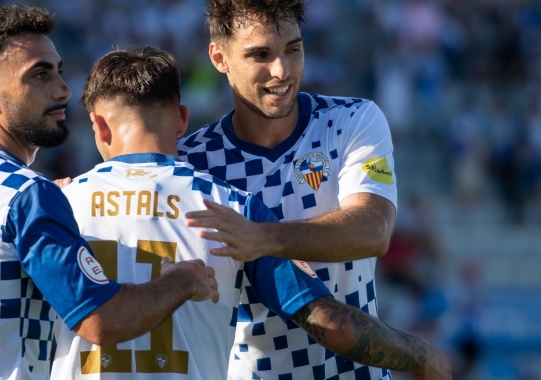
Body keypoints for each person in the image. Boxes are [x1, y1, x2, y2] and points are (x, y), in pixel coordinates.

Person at [54, 46, 450, 379]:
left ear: (99, 128)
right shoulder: (234, 209)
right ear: (181, 121)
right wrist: (419, 355)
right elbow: (331, 326)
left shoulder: (54, 206)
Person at [0, 6, 219, 380]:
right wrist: (183, 279)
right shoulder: (24, 194)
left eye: (59, 70)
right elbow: (102, 321)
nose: (63, 89)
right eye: (39, 74)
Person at [178, 0, 444, 379]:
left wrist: (262, 237)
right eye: (260, 54)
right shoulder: (192, 161)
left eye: (293, 49)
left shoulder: (354, 120)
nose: (281, 70)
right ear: (219, 58)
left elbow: (374, 230)